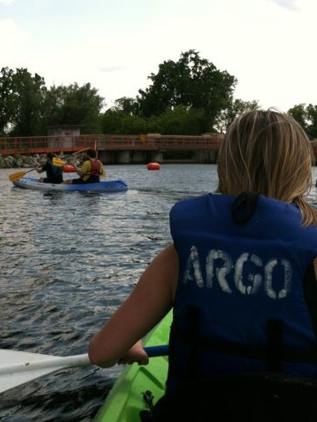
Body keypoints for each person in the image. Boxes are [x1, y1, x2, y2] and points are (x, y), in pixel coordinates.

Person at [88, 110, 317, 418]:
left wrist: (128, 346)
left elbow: (102, 353)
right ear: (300, 170)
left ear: (226, 165)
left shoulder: (181, 255)